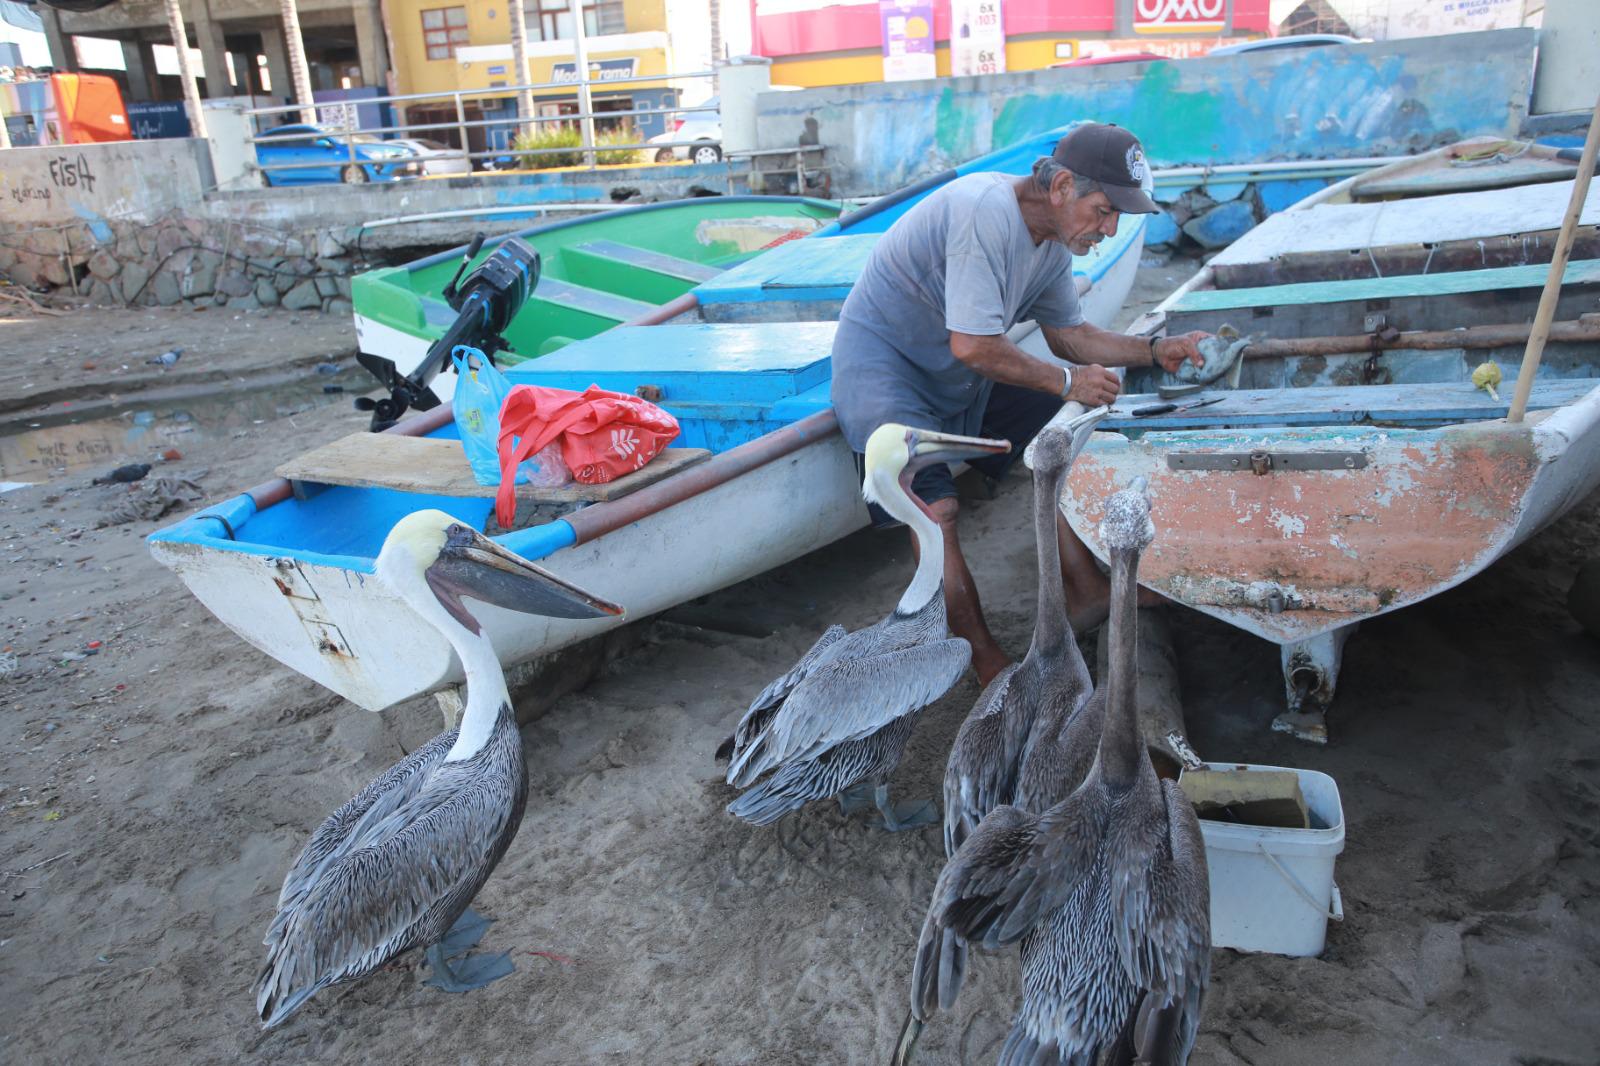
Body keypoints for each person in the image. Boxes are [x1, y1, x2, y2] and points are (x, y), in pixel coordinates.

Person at [830, 123, 1212, 685]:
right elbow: (976, 345)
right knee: (937, 512)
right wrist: (1065, 382)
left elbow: (1070, 335)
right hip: (887, 368)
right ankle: (979, 657)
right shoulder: (984, 211)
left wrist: (1156, 351)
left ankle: (1082, 588)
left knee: (1071, 434)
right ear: (1060, 187)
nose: (1109, 230)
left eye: (1118, 218)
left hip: (961, 373)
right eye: (1104, 211)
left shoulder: (1052, 240)